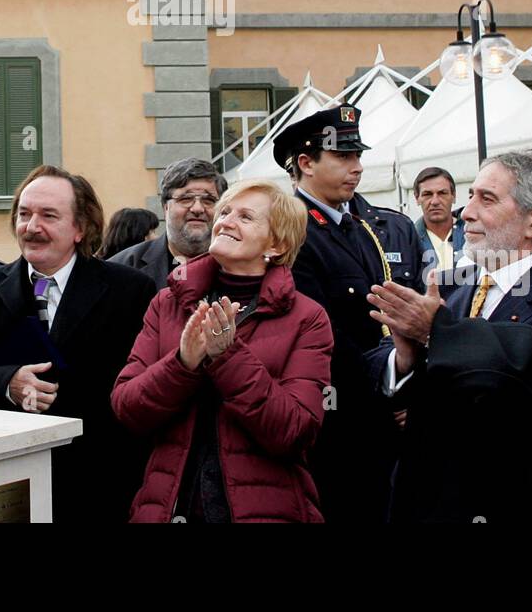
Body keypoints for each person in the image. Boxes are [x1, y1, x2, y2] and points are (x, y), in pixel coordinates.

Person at [366, 151, 532, 522]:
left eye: (487, 199)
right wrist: (404, 359)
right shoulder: (447, 287)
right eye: (470, 196)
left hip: (514, 506)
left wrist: (438, 334)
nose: (465, 213)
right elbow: (381, 364)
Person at [0, 165, 156, 523]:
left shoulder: (129, 290)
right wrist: (7, 383)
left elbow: (142, 388)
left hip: (102, 485)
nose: (31, 227)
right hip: (14, 483)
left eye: (48, 216)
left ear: (80, 228)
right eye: (24, 214)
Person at [112, 179, 333, 522]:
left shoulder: (307, 317)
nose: (225, 220)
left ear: (275, 245)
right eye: (226, 211)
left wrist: (227, 357)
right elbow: (127, 408)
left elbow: (296, 432)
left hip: (266, 510)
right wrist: (183, 363)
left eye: (245, 217)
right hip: (168, 506)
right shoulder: (167, 303)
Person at [272, 105, 423, 523]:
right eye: (343, 157)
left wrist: (407, 386)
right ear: (305, 163)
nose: (357, 168)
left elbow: (403, 311)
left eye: (358, 156)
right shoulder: (291, 233)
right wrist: (386, 388)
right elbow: (321, 335)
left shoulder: (373, 224)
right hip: (339, 419)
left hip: (390, 409)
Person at [110, 158, 227, 289]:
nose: (198, 208)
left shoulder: (242, 266)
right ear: (165, 208)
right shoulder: (121, 270)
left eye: (209, 200)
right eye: (186, 199)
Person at [412, 166, 465, 273]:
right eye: (427, 194)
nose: (435, 201)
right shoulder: (409, 241)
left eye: (442, 193)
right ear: (417, 198)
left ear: (454, 196)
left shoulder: (473, 233)